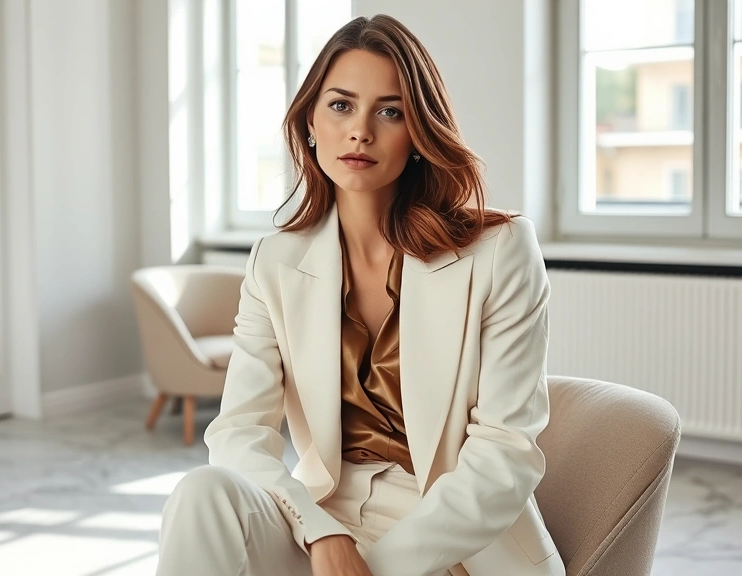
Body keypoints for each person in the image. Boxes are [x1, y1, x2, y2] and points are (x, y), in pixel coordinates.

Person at [156, 14, 563, 576]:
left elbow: (504, 455)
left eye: (390, 111)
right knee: (204, 494)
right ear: (310, 123)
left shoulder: (500, 250)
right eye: (341, 105)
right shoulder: (275, 261)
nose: (361, 131)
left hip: (456, 537)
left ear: (419, 132)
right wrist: (319, 530)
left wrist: (373, 568)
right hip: (327, 517)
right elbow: (237, 433)